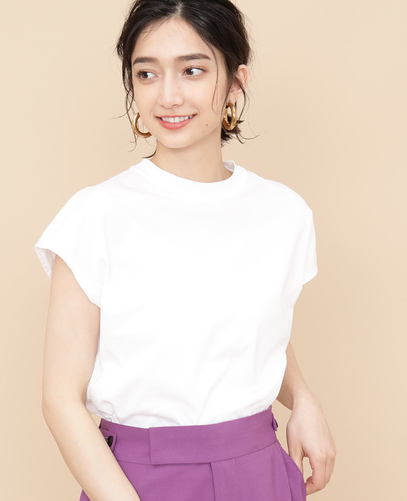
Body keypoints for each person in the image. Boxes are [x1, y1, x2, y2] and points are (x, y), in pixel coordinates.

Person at [34, 0, 337, 500]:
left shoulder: (283, 213)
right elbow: (60, 401)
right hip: (139, 480)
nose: (168, 96)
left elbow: (252, 331)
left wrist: (304, 399)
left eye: (192, 70)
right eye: (147, 74)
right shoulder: (96, 215)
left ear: (236, 82)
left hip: (259, 471)